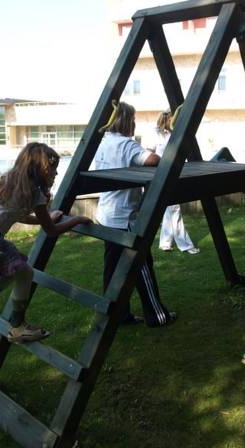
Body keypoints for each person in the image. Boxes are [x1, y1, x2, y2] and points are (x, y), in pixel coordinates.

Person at [0, 142, 91, 343]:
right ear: (41, 170)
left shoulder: (9, 182)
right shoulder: (35, 193)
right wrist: (76, 220)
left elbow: (19, 215)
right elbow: (51, 231)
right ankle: (17, 326)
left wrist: (47, 218)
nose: (55, 174)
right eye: (53, 169)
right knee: (25, 272)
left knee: (12, 271)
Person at [95, 102, 177, 327]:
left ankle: (117, 314)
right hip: (125, 217)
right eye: (132, 119)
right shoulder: (126, 144)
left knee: (112, 269)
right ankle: (156, 316)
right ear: (124, 120)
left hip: (106, 215)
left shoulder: (104, 142)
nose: (134, 123)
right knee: (142, 266)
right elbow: (153, 160)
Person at [150, 110, 200, 254]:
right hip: (160, 174)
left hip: (174, 173)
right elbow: (149, 152)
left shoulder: (177, 134)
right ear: (166, 119)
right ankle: (186, 245)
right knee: (174, 208)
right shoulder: (156, 134)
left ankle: (165, 243)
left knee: (169, 208)